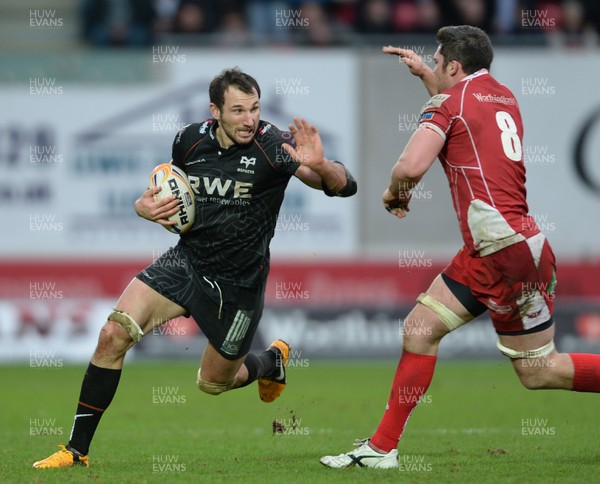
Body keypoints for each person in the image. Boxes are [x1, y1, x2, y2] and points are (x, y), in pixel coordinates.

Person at [33, 67, 357, 469]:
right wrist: (141, 207)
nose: (249, 119)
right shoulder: (188, 141)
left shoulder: (274, 145)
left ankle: (270, 362)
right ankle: (75, 450)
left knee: (214, 383)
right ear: (215, 111)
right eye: (238, 110)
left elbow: (345, 185)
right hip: (185, 263)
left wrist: (322, 166)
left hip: (239, 283)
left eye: (255, 108)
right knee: (112, 334)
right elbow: (166, 195)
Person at [320, 25, 600, 469]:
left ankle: (381, 449)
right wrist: (426, 81)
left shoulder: (452, 103)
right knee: (538, 369)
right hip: (523, 246)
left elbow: (410, 165)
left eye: (435, 61)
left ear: (453, 65)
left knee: (421, 329)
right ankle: (381, 448)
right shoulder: (503, 97)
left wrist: (396, 192)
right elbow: (462, 113)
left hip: (496, 250)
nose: (432, 65)